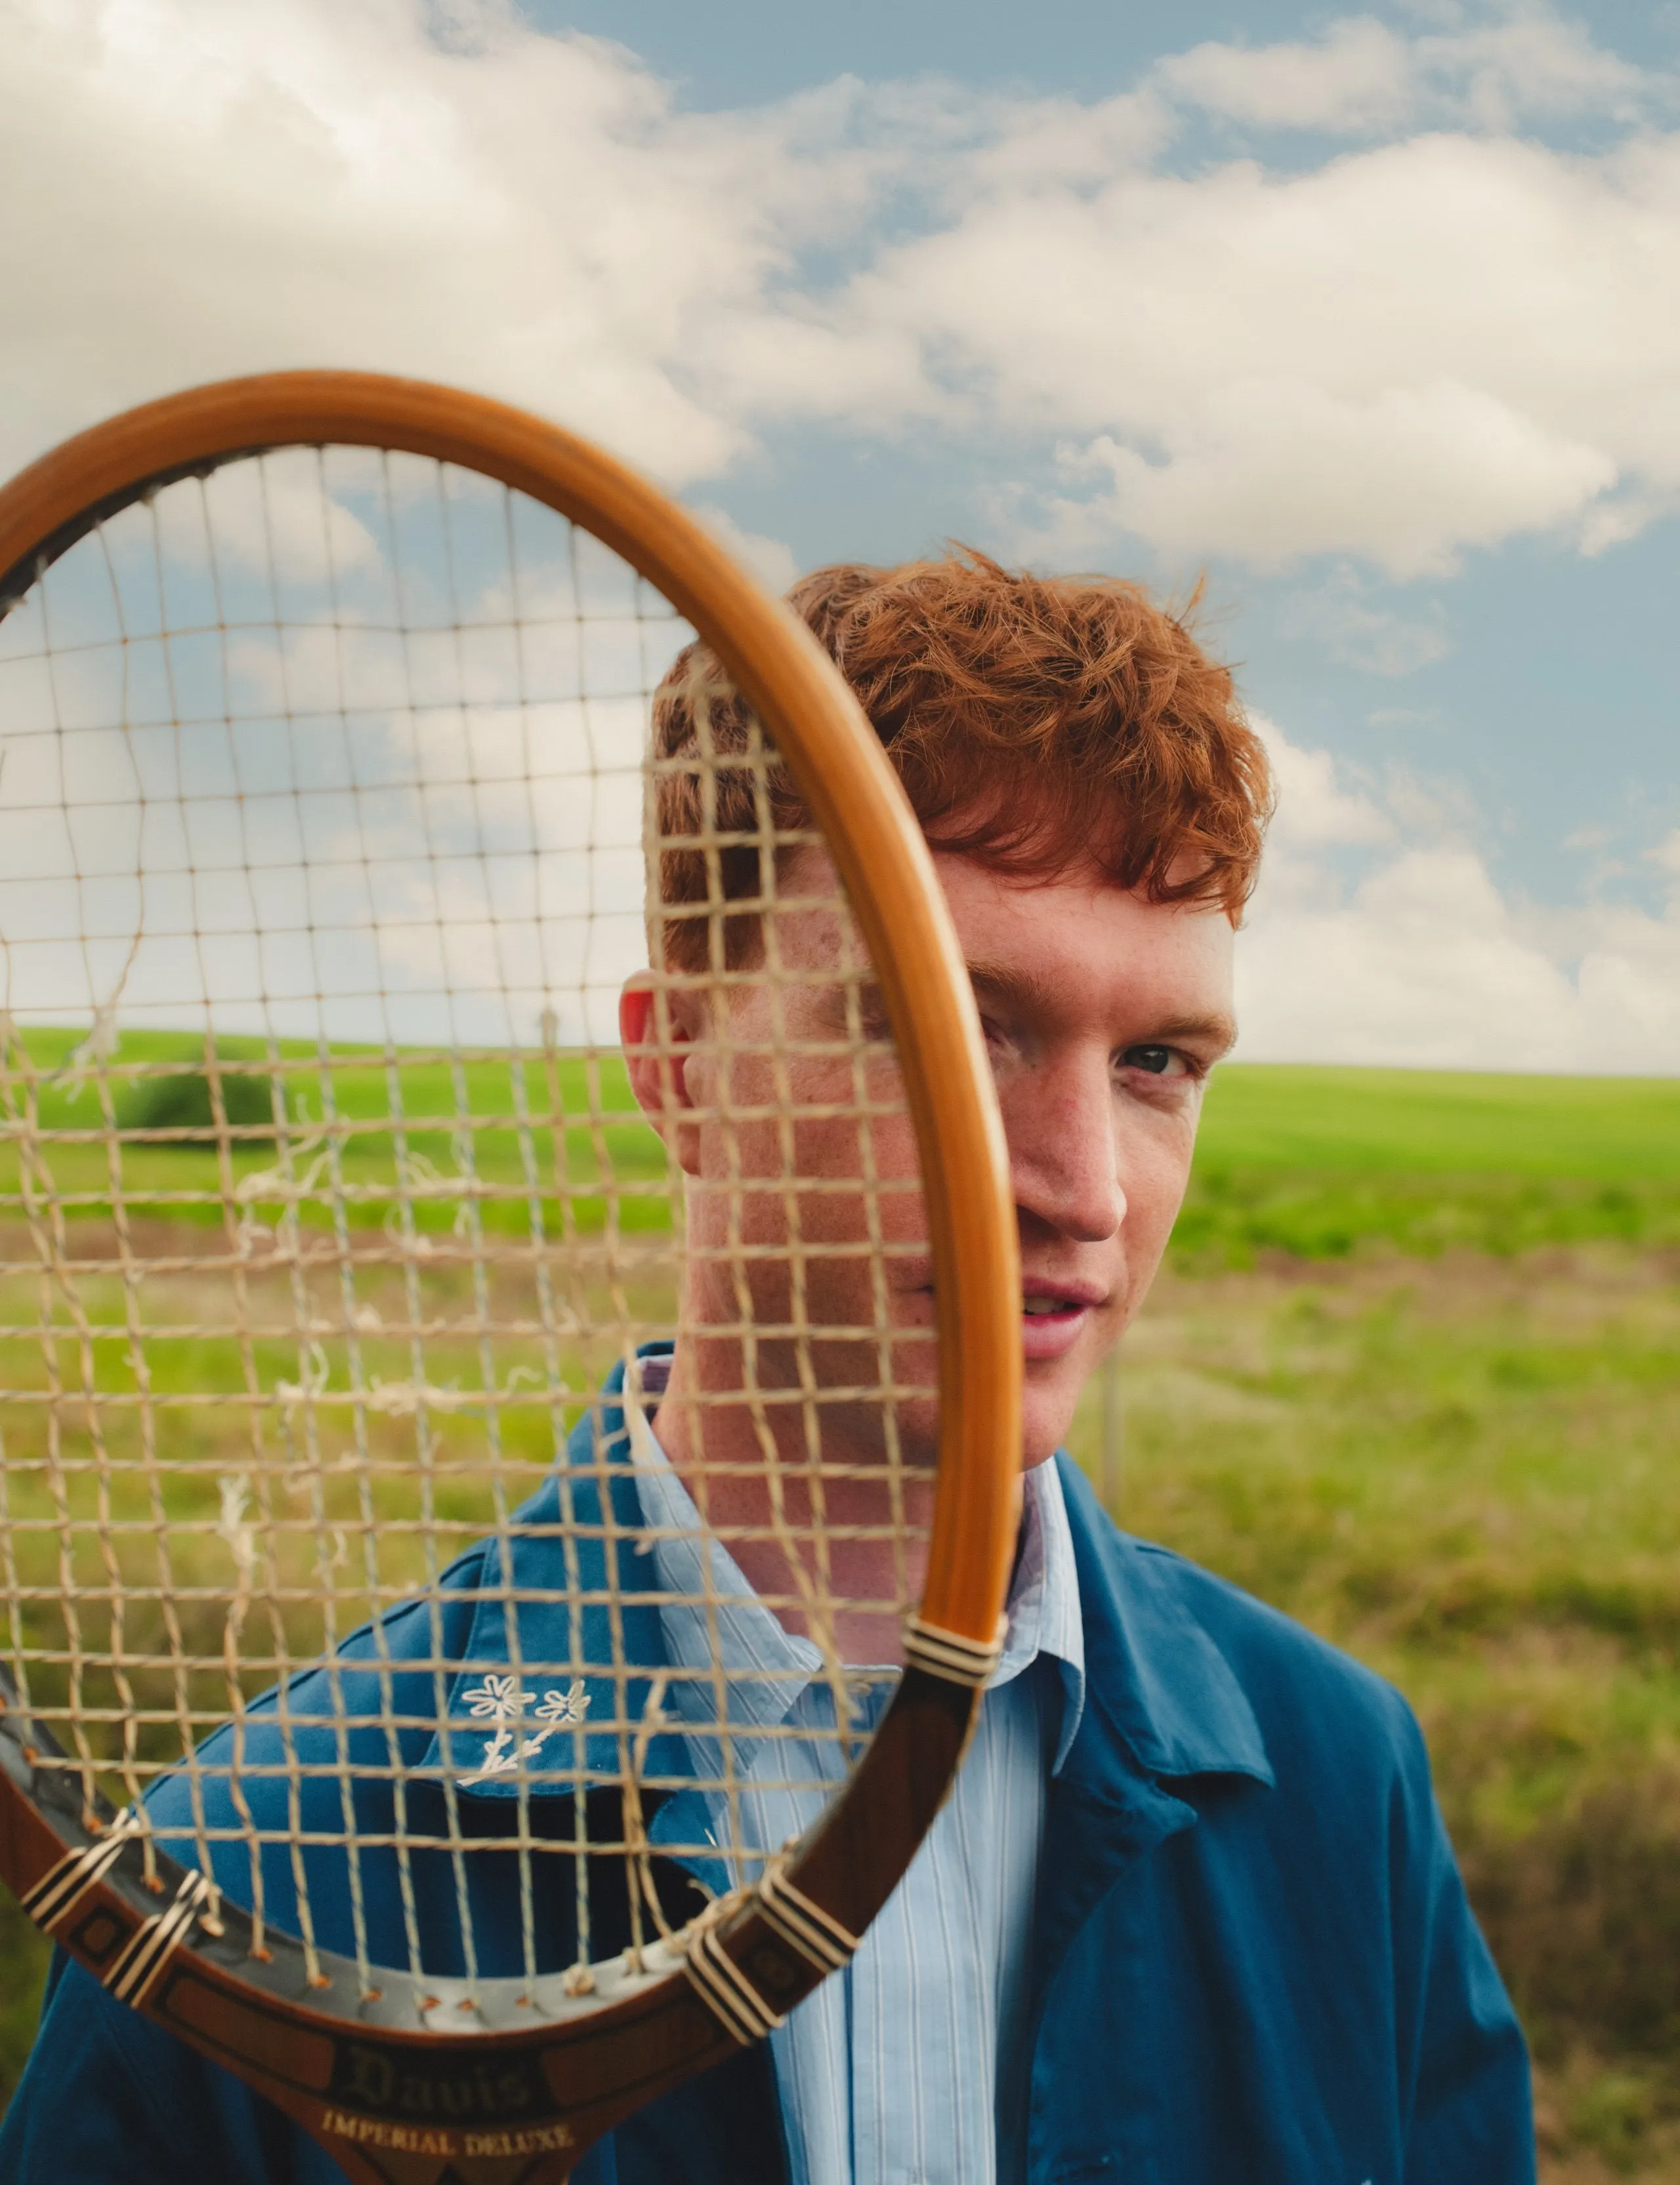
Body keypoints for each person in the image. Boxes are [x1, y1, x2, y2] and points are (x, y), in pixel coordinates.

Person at [1, 552, 1534, 2184]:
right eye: (948, 1028)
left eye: (1156, 1062)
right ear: (674, 1060)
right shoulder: (255, 1869)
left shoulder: (1334, 1779)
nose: (1082, 1184)